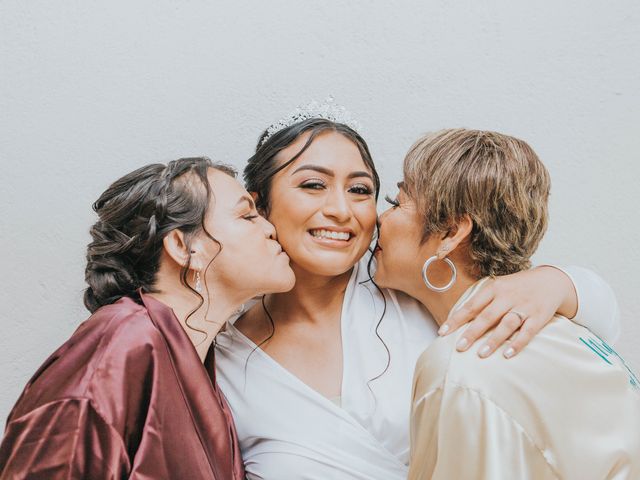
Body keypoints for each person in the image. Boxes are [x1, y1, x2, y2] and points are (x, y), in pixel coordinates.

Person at [214, 104, 621, 479]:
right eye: (314, 185)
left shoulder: (412, 290)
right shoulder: (222, 358)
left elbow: (593, 332)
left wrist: (557, 281)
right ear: (258, 207)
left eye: (360, 190)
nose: (341, 209)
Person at [0, 157, 295, 479]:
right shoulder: (121, 345)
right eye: (247, 215)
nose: (270, 228)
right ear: (185, 247)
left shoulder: (203, 375)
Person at [373, 128, 640, 479]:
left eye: (397, 202)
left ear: (451, 233)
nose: (381, 217)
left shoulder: (461, 366)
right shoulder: (573, 333)